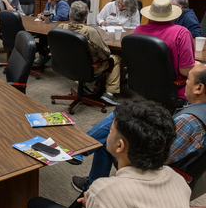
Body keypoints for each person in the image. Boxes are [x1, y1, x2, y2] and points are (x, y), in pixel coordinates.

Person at [20, 99, 199, 208]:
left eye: (110, 130)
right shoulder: (177, 178)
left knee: (35, 204)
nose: (107, 132)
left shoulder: (103, 191)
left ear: (120, 146)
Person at [72, 62, 206, 192]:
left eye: (188, 78)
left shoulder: (189, 121)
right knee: (124, 115)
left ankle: (84, 162)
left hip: (156, 168)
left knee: (111, 139)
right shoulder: (198, 110)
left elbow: (159, 157)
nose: (185, 82)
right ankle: (79, 148)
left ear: (199, 88)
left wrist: (131, 138)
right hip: (165, 159)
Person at [58, 1, 121, 105]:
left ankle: (82, 86)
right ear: (86, 17)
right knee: (115, 58)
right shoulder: (90, 32)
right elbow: (105, 55)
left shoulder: (60, 27)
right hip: (88, 68)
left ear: (70, 15)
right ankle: (109, 94)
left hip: (66, 65)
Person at [134, 0, 195, 99]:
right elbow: (185, 71)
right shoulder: (181, 33)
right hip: (172, 88)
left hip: (142, 86)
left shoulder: (138, 30)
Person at [35, 0, 70, 64]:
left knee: (49, 36)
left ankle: (52, 57)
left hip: (61, 27)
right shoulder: (49, 3)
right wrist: (41, 15)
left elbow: (62, 17)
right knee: (41, 35)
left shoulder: (62, 3)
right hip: (50, 26)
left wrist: (47, 17)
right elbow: (45, 12)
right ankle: (43, 56)